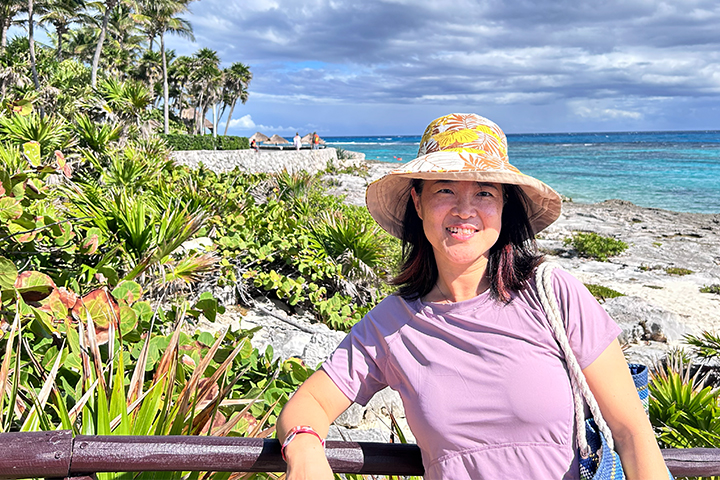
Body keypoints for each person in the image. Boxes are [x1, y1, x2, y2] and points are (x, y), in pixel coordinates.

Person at [276, 113, 669, 479]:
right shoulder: (391, 326)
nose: (465, 211)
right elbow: (309, 403)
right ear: (418, 201)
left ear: (503, 206)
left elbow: (631, 431)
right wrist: (306, 450)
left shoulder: (552, 295)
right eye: (445, 190)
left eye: (484, 193)